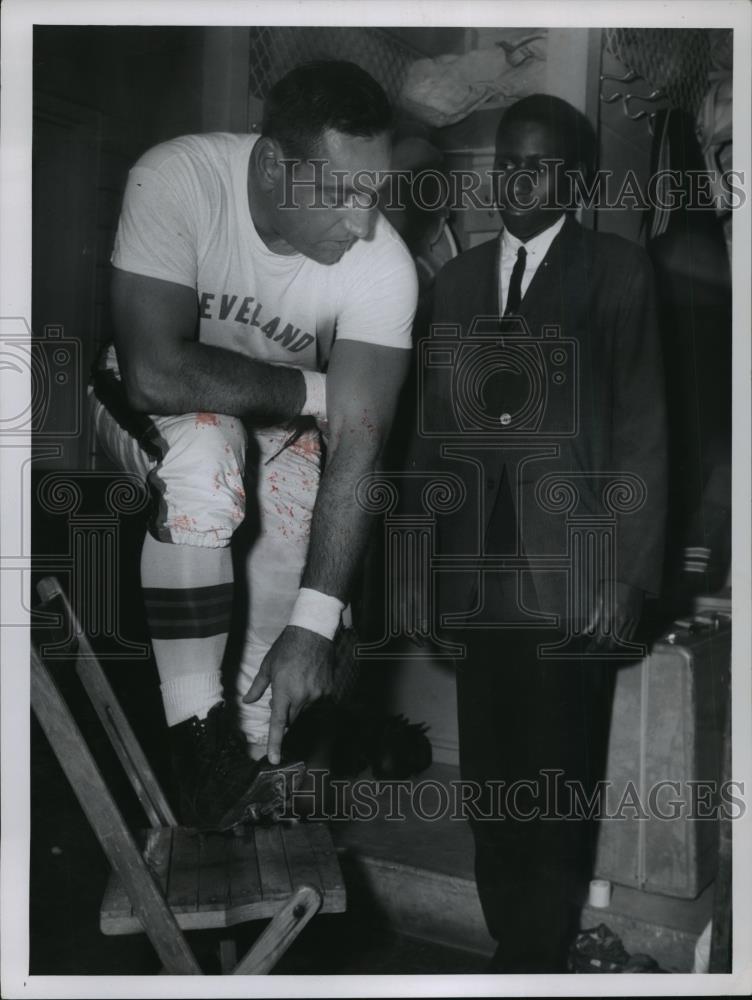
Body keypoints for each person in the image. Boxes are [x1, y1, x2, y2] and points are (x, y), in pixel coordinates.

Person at [89, 60, 417, 831]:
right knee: (208, 453)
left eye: (375, 194)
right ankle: (196, 734)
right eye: (341, 194)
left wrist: (315, 622)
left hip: (279, 429)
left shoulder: (384, 264)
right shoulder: (178, 176)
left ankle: (247, 782)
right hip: (150, 408)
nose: (362, 222)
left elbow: (359, 449)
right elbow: (156, 372)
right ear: (273, 165)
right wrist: (319, 394)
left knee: (294, 601)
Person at [405, 94, 667, 972]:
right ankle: (510, 936)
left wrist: (626, 576)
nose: (517, 178)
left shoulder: (619, 274)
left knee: (557, 780)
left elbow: (644, 431)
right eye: (506, 162)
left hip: (574, 584)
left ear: (576, 179)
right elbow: (430, 442)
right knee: (490, 772)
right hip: (479, 582)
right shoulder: (454, 283)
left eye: (540, 164)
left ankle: (534, 950)